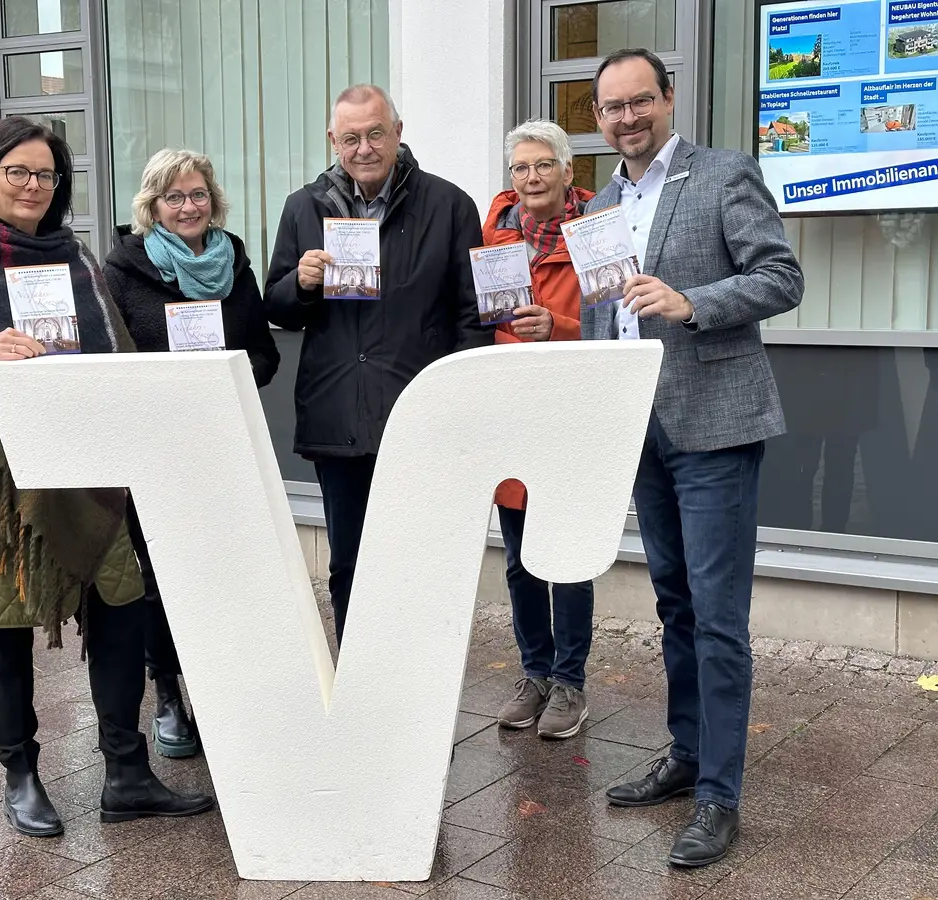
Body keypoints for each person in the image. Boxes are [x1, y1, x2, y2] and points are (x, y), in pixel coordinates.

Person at [0, 116, 216, 839]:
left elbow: (111, 355)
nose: (32, 186)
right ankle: (20, 775)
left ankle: (126, 772)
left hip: (84, 469)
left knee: (120, 610)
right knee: (4, 631)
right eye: (17, 172)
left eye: (46, 175)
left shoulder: (75, 260)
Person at [582, 50, 803, 868]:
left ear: (668, 99)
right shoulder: (602, 204)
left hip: (715, 423)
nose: (627, 118)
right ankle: (686, 754)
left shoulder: (722, 174)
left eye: (641, 101)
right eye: (612, 108)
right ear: (598, 117)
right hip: (641, 433)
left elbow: (782, 276)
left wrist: (693, 302)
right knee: (674, 606)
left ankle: (720, 797)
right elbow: (609, 321)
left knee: (718, 617)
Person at [264, 84, 490, 647]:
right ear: (332, 141)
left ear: (397, 131)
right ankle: (356, 683)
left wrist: (460, 406)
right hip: (337, 411)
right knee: (349, 563)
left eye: (374, 134)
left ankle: (416, 674)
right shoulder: (303, 207)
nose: (363, 148)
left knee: (419, 559)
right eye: (350, 138)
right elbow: (277, 307)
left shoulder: (449, 205)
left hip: (420, 414)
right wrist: (303, 283)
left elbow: (472, 315)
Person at [102, 147, 281, 759]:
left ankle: (227, 689)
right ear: (152, 206)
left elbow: (265, 354)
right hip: (156, 449)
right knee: (160, 578)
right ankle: (170, 695)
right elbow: (113, 361)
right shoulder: (124, 269)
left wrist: (225, 372)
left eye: (198, 194)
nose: (188, 206)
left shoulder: (235, 262)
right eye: (173, 197)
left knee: (226, 571)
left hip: (223, 443)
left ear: (214, 200)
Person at [482, 119, 601, 740]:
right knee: (521, 556)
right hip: (510, 409)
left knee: (568, 554)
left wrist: (558, 327)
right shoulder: (494, 231)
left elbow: (617, 322)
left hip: (571, 412)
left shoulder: (598, 228)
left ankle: (570, 681)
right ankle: (533, 672)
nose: (530, 178)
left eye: (542, 166)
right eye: (520, 168)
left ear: (567, 170)